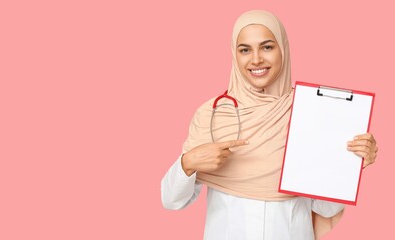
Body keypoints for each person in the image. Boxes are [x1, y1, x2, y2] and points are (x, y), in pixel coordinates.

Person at [161, 10, 378, 240]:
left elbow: (326, 209)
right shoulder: (212, 116)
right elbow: (172, 201)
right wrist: (188, 163)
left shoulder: (312, 112)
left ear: (282, 49)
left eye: (267, 47)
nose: (256, 59)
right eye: (245, 50)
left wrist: (350, 164)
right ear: (235, 55)